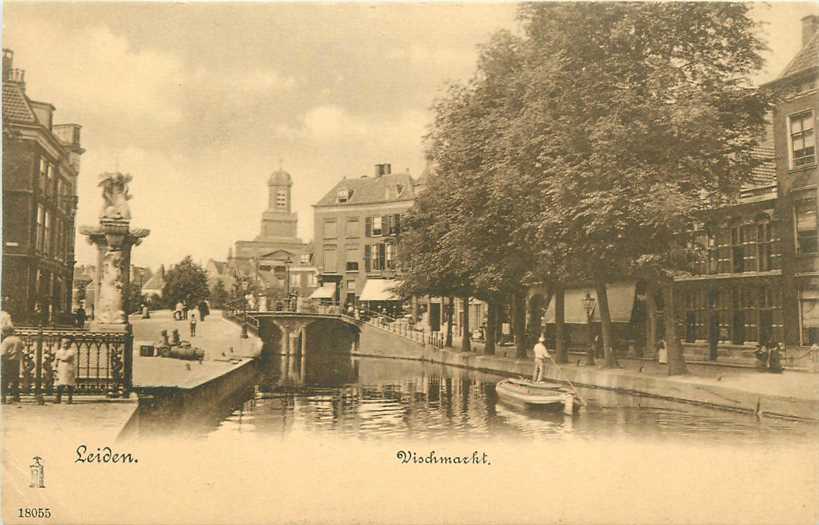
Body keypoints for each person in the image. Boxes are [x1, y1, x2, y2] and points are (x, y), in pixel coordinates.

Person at [1, 327, 23, 403]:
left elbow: (3, 353)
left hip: (7, 361)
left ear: (6, 332)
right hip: (16, 361)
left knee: (4, 379)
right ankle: (16, 396)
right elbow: (22, 348)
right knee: (15, 379)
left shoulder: (6, 341)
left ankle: (3, 397)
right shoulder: (18, 340)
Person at [54, 337, 77, 404]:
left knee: (69, 384)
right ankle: (58, 398)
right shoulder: (59, 351)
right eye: (64, 343)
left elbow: (65, 358)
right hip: (60, 368)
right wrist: (54, 368)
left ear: (70, 344)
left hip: (68, 368)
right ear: (61, 343)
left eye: (67, 343)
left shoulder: (71, 352)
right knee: (60, 384)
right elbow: (56, 360)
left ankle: (70, 398)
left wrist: (59, 357)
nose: (65, 345)